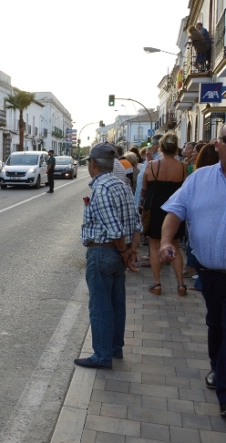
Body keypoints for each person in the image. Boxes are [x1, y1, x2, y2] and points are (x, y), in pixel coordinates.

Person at [159, 125, 226, 417]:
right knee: (216, 324)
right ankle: (216, 368)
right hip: (210, 272)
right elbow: (176, 211)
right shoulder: (200, 178)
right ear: (218, 144)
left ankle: (224, 393)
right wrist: (164, 241)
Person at [75, 142, 142, 370]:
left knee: (100, 305)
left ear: (93, 164)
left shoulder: (101, 189)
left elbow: (113, 229)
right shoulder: (122, 185)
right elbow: (136, 221)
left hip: (102, 252)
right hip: (117, 253)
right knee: (116, 304)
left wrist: (125, 253)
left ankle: (102, 356)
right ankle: (115, 348)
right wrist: (131, 250)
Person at [140, 133, 188, 296]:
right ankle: (181, 284)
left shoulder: (152, 165)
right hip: (175, 210)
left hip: (154, 208)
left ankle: (157, 283)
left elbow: (144, 188)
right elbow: (185, 190)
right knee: (174, 245)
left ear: (160, 147)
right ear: (176, 149)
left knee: (154, 245)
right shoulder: (183, 167)